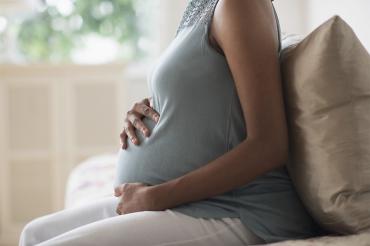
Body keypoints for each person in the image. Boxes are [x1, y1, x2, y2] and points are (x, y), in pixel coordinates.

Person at [19, 0, 325, 245]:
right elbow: (205, 100)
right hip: (190, 202)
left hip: (237, 209)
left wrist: (155, 197)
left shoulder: (239, 5)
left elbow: (269, 144)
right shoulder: (201, 7)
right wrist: (149, 109)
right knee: (33, 235)